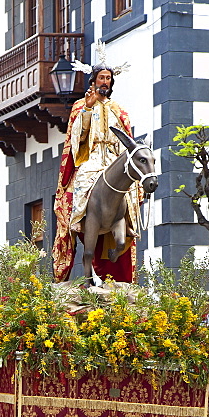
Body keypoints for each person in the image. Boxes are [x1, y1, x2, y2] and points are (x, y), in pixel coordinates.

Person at [52, 58, 139, 283]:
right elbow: (76, 138)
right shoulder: (81, 106)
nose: (105, 82)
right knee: (82, 186)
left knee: (127, 187)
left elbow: (126, 139)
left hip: (112, 157)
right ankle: (79, 218)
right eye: (101, 78)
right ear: (94, 80)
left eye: (108, 78)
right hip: (90, 157)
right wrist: (89, 109)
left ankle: (127, 225)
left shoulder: (118, 110)